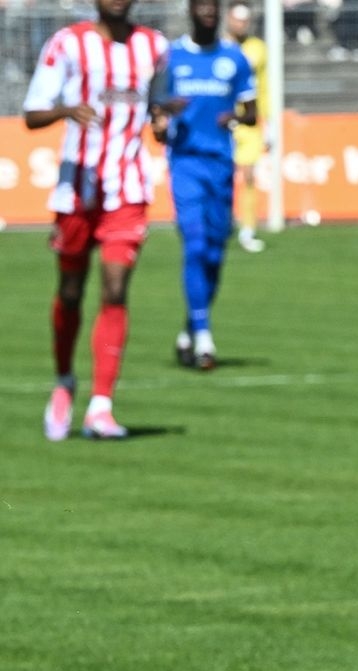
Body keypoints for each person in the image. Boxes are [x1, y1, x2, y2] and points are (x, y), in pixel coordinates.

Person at [23, 0, 168, 441]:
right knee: (70, 293)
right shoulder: (67, 43)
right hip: (77, 189)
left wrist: (161, 121)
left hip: (128, 189)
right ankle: (65, 379)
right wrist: (67, 110)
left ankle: (101, 405)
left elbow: (159, 106)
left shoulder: (155, 47)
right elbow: (32, 114)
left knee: (116, 289)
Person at [157, 0, 256, 371]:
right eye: (202, 6)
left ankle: (190, 326)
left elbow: (252, 112)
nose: (208, 13)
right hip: (185, 163)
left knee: (214, 255)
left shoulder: (235, 59)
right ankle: (204, 338)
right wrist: (164, 115)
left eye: (213, 7)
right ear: (191, 11)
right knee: (195, 243)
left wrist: (235, 117)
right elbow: (155, 110)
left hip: (221, 164)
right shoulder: (172, 57)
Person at [226, 2, 267, 254]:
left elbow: (265, 85)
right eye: (237, 19)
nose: (241, 25)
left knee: (249, 175)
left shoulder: (258, 48)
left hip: (249, 121)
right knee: (222, 176)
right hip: (223, 121)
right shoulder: (219, 47)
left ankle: (248, 229)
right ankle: (224, 221)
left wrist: (269, 122)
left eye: (245, 20)